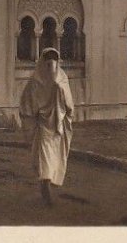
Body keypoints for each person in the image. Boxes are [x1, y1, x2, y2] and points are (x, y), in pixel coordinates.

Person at [19, 47, 74, 207]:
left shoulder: (62, 79)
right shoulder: (35, 82)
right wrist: (33, 119)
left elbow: (69, 104)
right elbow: (26, 105)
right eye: (48, 61)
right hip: (43, 127)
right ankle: (46, 189)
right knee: (45, 160)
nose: (51, 65)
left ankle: (48, 185)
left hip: (58, 127)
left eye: (54, 61)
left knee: (54, 158)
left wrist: (66, 112)